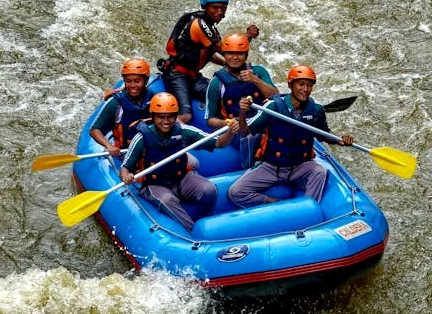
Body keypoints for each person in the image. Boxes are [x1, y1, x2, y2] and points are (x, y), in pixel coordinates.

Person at [229, 65, 353, 208]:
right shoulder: (273, 107)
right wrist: (243, 112)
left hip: (300, 167)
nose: (305, 89)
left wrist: (340, 140)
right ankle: (275, 203)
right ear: (290, 85)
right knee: (235, 192)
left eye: (309, 85)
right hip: (271, 167)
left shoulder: (316, 110)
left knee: (319, 171)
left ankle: (307, 209)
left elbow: (324, 135)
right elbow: (245, 132)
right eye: (301, 84)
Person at [120, 92, 238, 232]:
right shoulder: (141, 138)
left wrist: (231, 132)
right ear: (153, 116)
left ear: (176, 116)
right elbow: (125, 168)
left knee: (209, 189)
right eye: (161, 117)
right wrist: (126, 176)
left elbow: (218, 143)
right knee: (167, 200)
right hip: (154, 183)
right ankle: (192, 231)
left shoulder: (183, 131)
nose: (166, 121)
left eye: (170, 117)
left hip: (180, 177)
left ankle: (206, 221)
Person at [160, 0, 260, 124]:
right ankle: (172, 139)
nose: (219, 12)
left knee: (221, 95)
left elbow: (208, 53)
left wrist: (226, 64)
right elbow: (225, 49)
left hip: (193, 76)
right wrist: (247, 36)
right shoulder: (200, 25)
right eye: (215, 7)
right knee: (186, 116)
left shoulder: (209, 25)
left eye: (223, 8)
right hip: (177, 75)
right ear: (205, 7)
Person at [204, 33, 276, 168]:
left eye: (240, 53)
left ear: (246, 55)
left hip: (263, 123)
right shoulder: (216, 83)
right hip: (237, 129)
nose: (235, 57)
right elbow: (210, 120)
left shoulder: (258, 71)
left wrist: (256, 80)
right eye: (230, 53)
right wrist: (227, 123)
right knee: (248, 137)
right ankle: (252, 168)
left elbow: (275, 96)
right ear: (224, 55)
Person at [89, 57, 154, 157]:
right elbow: (95, 130)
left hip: (150, 146)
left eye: (137, 81)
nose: (132, 85)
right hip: (126, 151)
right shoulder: (116, 103)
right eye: (128, 81)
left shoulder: (153, 97)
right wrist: (109, 146)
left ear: (146, 81)